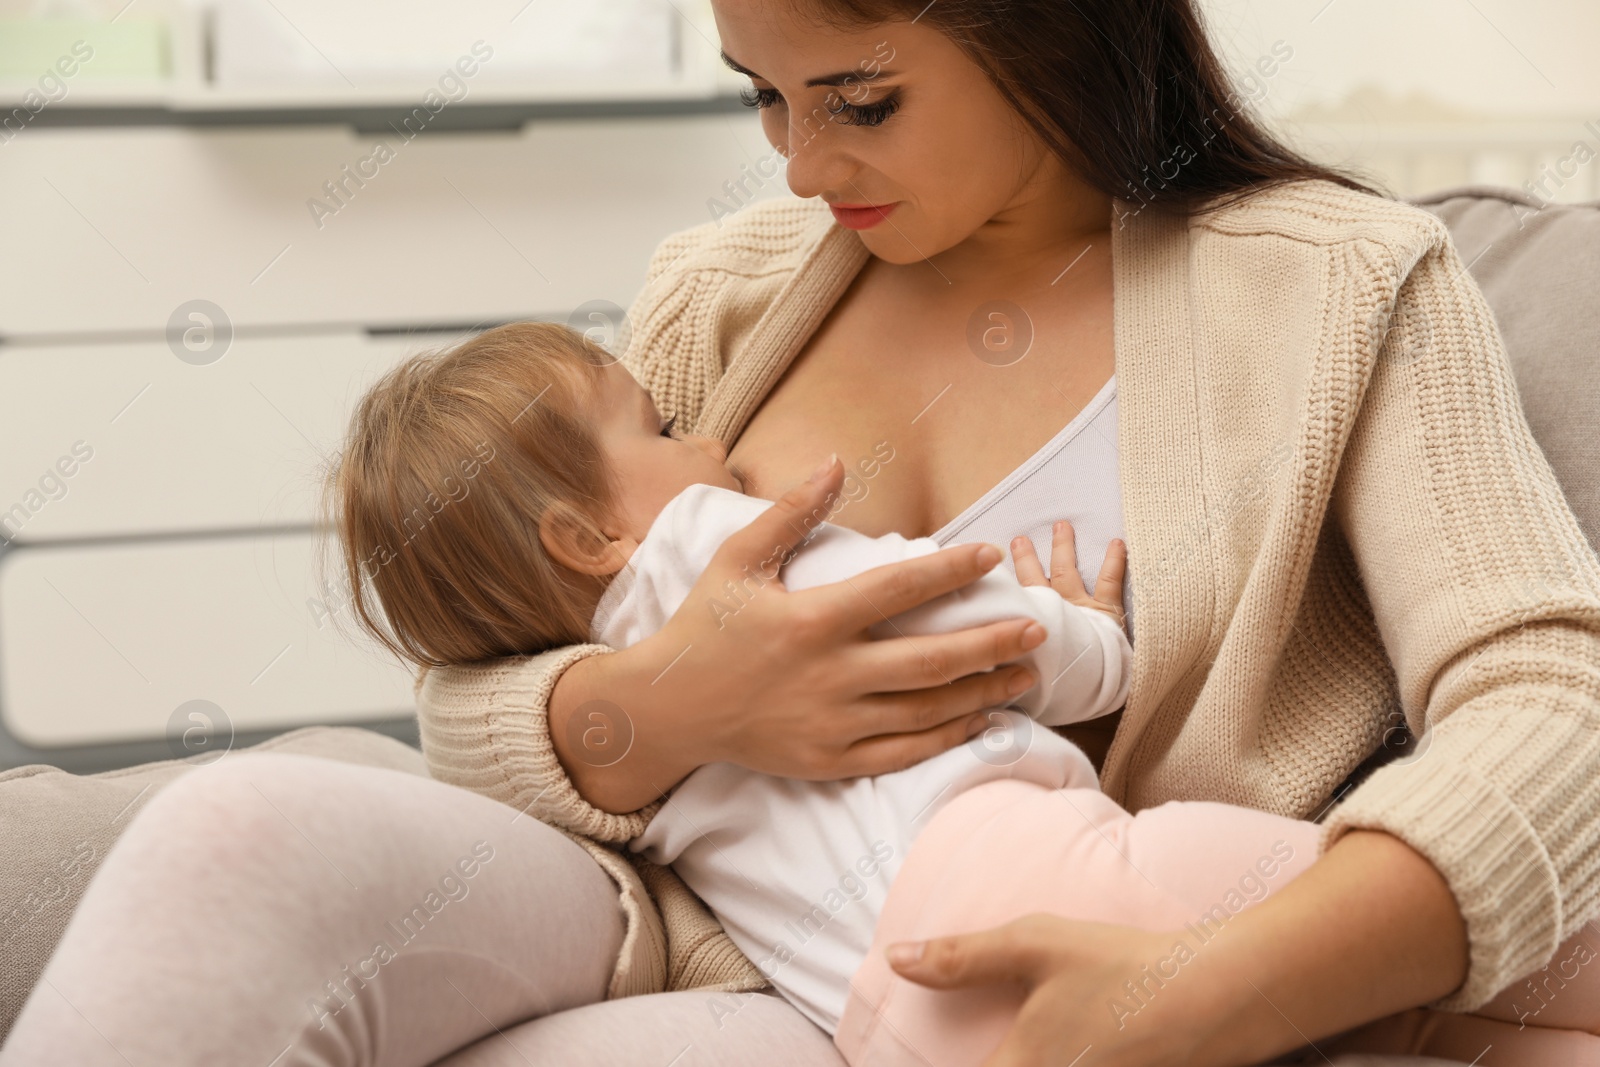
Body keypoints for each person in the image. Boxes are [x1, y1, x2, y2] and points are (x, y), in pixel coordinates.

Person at [5, 0, 1598, 1064]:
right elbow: (485, 668)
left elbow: (1551, 696)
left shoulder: (1337, 291)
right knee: (237, 830)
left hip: (927, 971)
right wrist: (657, 709)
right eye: (763, 98)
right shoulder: (729, 285)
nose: (802, 162)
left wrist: (1209, 990)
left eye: (861, 98)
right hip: (657, 908)